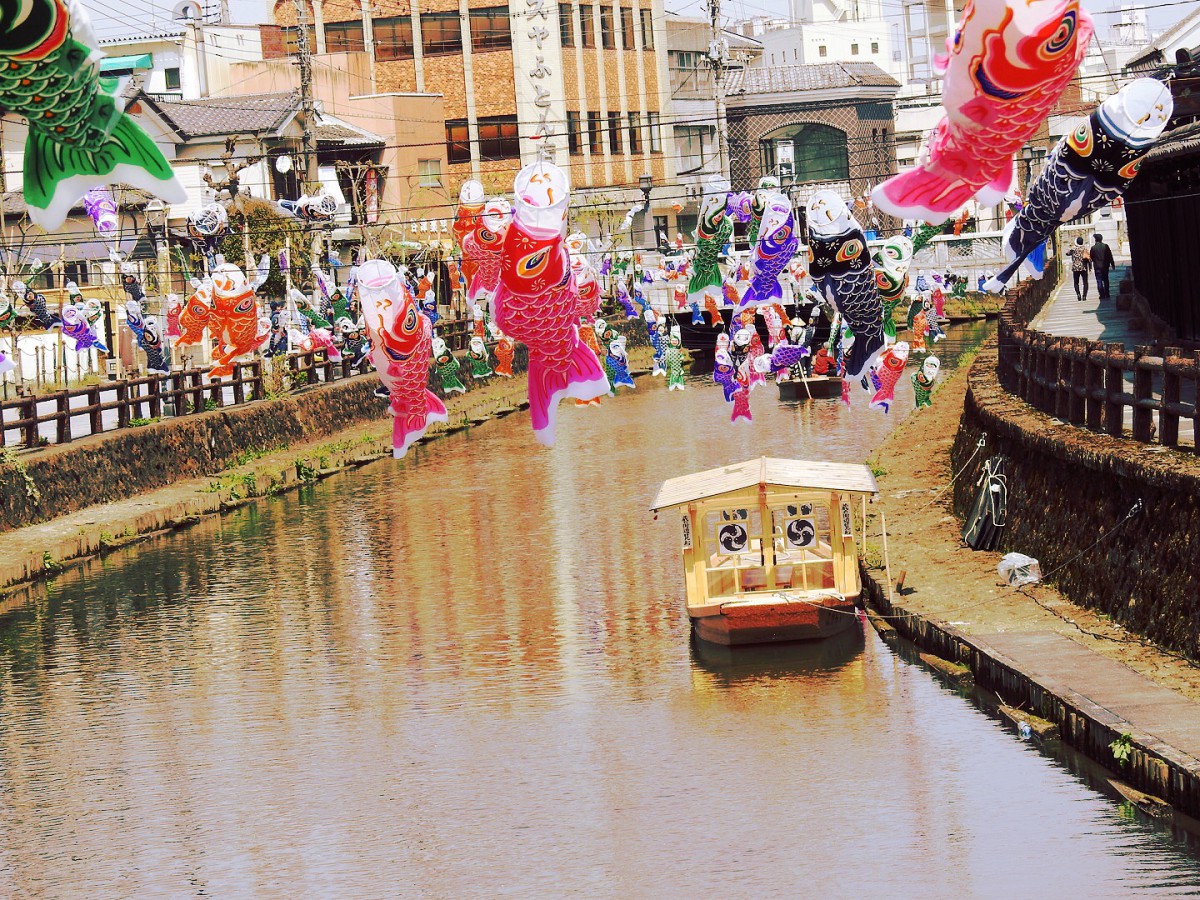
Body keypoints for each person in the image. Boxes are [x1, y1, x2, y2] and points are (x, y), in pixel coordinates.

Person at [1092, 233, 1116, 300]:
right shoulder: (1106, 246)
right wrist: (1112, 264)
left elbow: (1092, 257)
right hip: (1105, 266)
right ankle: (1107, 294)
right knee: (1106, 280)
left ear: (1096, 240)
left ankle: (1102, 295)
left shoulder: (1093, 248)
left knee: (1099, 281)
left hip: (1097, 267)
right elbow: (1110, 256)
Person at [1068, 236, 1091, 302]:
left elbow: (1067, 253)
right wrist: (1090, 267)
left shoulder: (1073, 249)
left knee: (1076, 283)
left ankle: (1078, 294)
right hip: (1083, 267)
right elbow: (1089, 258)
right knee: (1085, 282)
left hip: (1075, 268)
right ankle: (1084, 296)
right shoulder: (1085, 249)